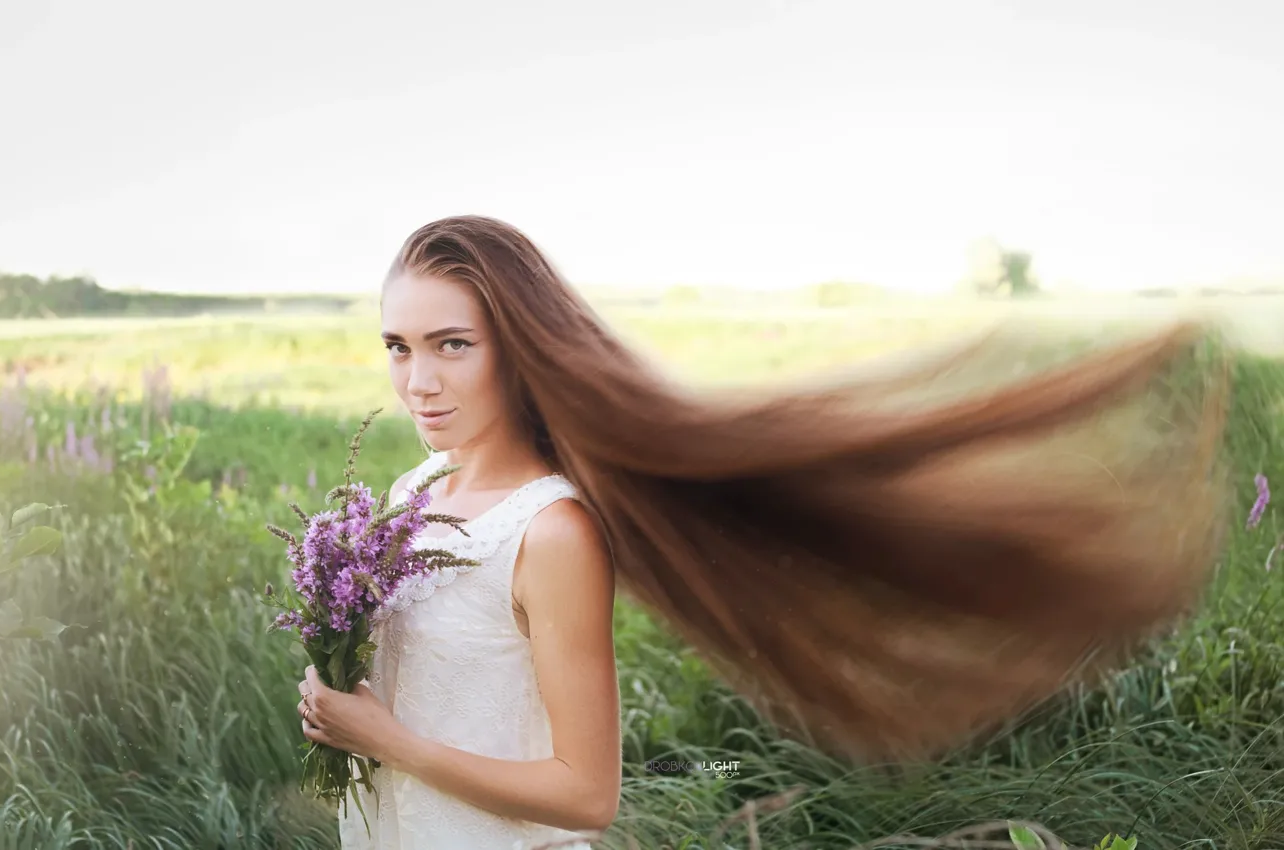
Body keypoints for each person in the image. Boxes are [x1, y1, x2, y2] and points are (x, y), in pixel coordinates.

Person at [295, 215, 1232, 849]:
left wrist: (388, 739)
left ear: (521, 348)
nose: (418, 380)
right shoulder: (414, 487)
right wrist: (343, 695)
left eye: (452, 344)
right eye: (398, 346)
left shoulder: (551, 534)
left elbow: (589, 794)